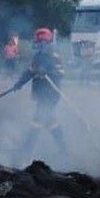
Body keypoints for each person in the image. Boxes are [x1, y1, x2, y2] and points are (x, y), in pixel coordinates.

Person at [12, 27, 67, 157]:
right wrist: (19, 84)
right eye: (38, 41)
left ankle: (26, 151)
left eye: (40, 41)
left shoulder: (54, 56)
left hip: (51, 94)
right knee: (50, 121)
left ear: (46, 42)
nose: (38, 44)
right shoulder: (37, 56)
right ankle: (63, 148)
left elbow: (61, 72)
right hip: (42, 94)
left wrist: (47, 72)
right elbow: (30, 71)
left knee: (37, 121)